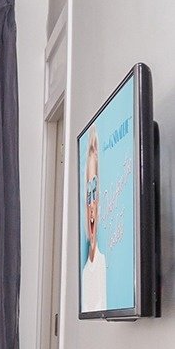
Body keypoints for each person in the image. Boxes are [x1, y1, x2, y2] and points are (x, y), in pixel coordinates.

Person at [81, 132, 108, 313]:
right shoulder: (85, 271)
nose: (91, 206)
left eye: (95, 191)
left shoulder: (102, 264)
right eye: (88, 192)